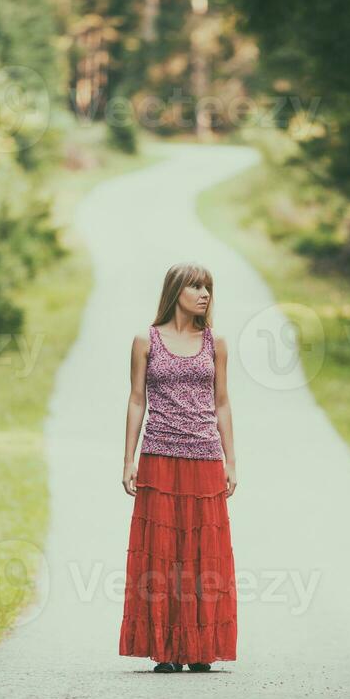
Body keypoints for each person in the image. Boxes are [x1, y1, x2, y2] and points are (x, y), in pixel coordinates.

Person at [118, 261, 238, 673]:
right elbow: (137, 400)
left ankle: (201, 648)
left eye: (208, 286)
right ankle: (166, 650)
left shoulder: (215, 343)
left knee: (204, 555)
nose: (204, 294)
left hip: (205, 457)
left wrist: (231, 461)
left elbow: (222, 403)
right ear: (176, 292)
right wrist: (128, 458)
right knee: (162, 555)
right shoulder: (146, 341)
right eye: (196, 287)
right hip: (159, 457)